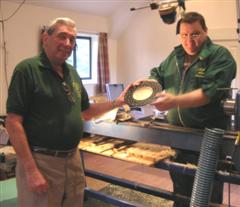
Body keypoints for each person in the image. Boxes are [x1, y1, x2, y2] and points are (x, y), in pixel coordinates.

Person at [5, 17, 126, 207]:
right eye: (62, 37)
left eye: (72, 39)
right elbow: (13, 123)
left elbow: (86, 111)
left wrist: (117, 102)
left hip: (73, 159)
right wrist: (31, 171)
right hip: (41, 161)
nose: (68, 44)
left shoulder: (72, 72)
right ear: (45, 38)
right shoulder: (27, 70)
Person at [139, 12, 236, 206]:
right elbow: (157, 74)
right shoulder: (175, 56)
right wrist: (146, 87)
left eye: (195, 34)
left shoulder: (220, 56)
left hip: (208, 138)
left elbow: (209, 93)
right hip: (178, 138)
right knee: (181, 191)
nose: (189, 41)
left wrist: (174, 101)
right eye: (184, 35)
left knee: (207, 195)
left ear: (206, 32)